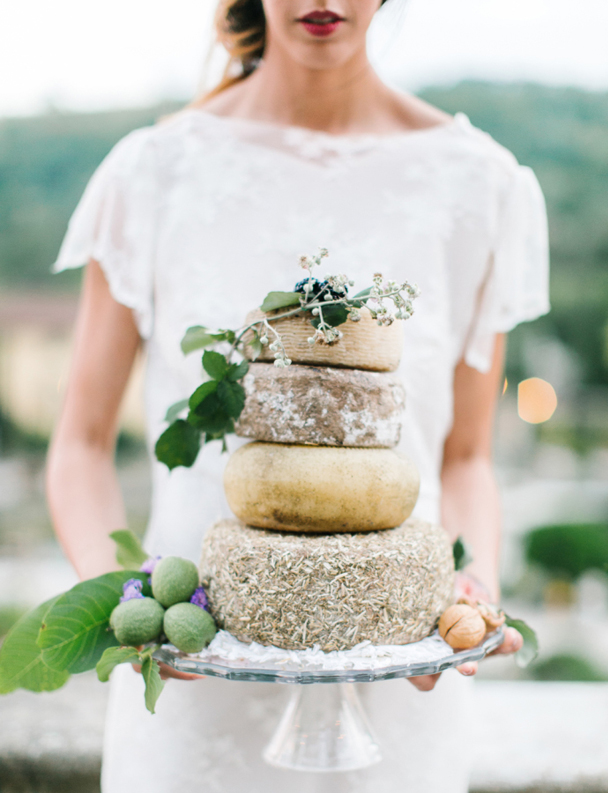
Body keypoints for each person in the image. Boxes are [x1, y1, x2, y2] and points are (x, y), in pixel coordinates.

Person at [46, 0, 549, 788]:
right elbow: (79, 442)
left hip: (394, 677)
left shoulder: (482, 185)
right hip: (195, 686)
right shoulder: (150, 173)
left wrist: (471, 592)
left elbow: (467, 455)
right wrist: (134, 601)